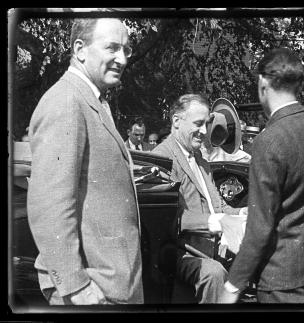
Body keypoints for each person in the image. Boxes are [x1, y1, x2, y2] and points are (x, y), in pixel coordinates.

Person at [27, 18, 143, 305]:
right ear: (80, 49)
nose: (122, 59)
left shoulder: (92, 100)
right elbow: (49, 205)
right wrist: (75, 285)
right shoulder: (66, 101)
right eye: (112, 48)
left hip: (109, 283)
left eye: (126, 50)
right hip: (92, 291)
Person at [220, 48, 304, 304]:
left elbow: (260, 228)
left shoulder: (267, 141)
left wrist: (233, 285)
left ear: (263, 83)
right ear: (299, 84)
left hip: (282, 280)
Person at [153, 94, 247, 303]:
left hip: (208, 247)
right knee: (213, 274)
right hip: (179, 251)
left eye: (206, 124)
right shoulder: (162, 159)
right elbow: (170, 218)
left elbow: (218, 206)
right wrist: (218, 223)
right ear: (176, 121)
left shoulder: (201, 160)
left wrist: (242, 213)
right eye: (198, 124)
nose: (205, 132)